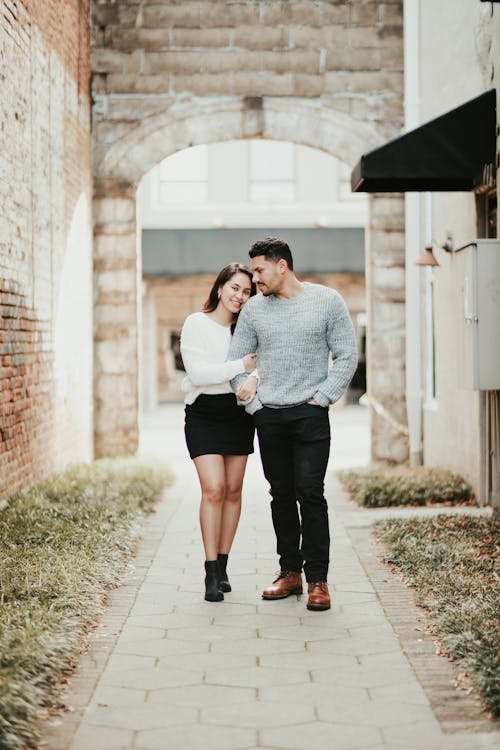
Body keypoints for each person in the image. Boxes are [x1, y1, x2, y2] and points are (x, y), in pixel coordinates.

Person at [229, 237, 358, 611]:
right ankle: (290, 573)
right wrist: (255, 406)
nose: (255, 279)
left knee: (310, 493)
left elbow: (347, 354)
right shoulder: (254, 310)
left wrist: (323, 397)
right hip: (270, 416)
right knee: (281, 494)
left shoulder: (327, 301)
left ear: (281, 265)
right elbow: (236, 362)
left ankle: (318, 579)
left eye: (259, 270)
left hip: (310, 413)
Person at [180, 263, 258, 602]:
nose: (239, 296)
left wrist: (255, 377)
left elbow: (263, 364)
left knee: (233, 490)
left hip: (238, 415)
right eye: (235, 288)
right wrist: (241, 368)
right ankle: (210, 569)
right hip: (204, 415)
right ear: (220, 287)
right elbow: (198, 374)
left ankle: (224, 564)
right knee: (213, 488)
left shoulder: (247, 329)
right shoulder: (196, 324)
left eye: (246, 291)